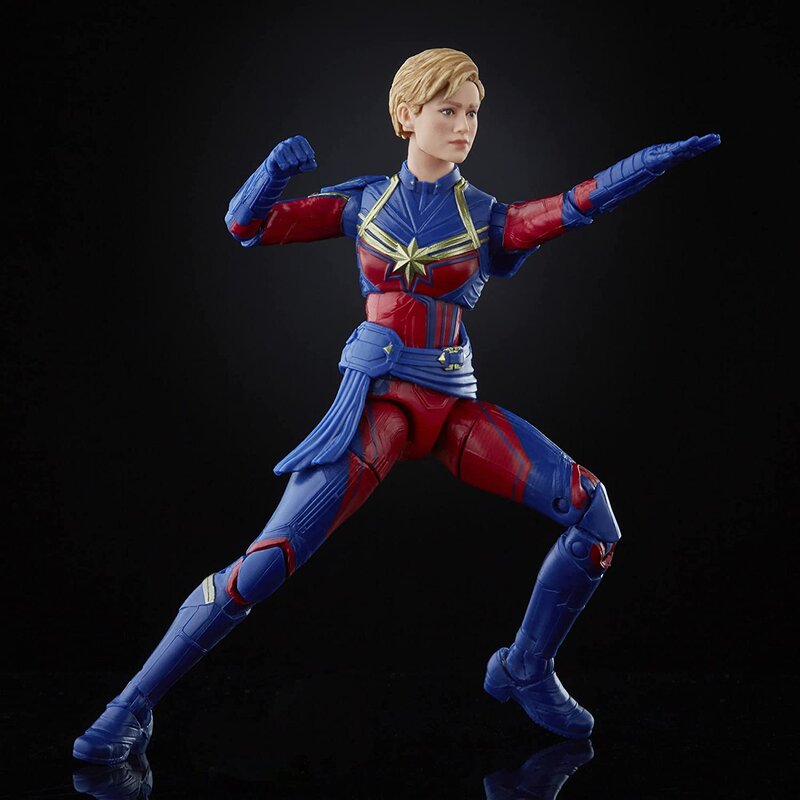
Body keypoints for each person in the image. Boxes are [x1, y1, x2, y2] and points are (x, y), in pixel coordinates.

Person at [73, 47, 720, 764]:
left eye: (472, 112)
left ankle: (525, 667)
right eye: (448, 110)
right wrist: (273, 172)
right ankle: (129, 706)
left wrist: (645, 165)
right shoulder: (365, 204)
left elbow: (568, 208)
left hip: (452, 410)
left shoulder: (483, 216)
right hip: (380, 405)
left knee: (593, 517)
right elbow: (246, 226)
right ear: (407, 115)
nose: (464, 126)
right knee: (266, 561)